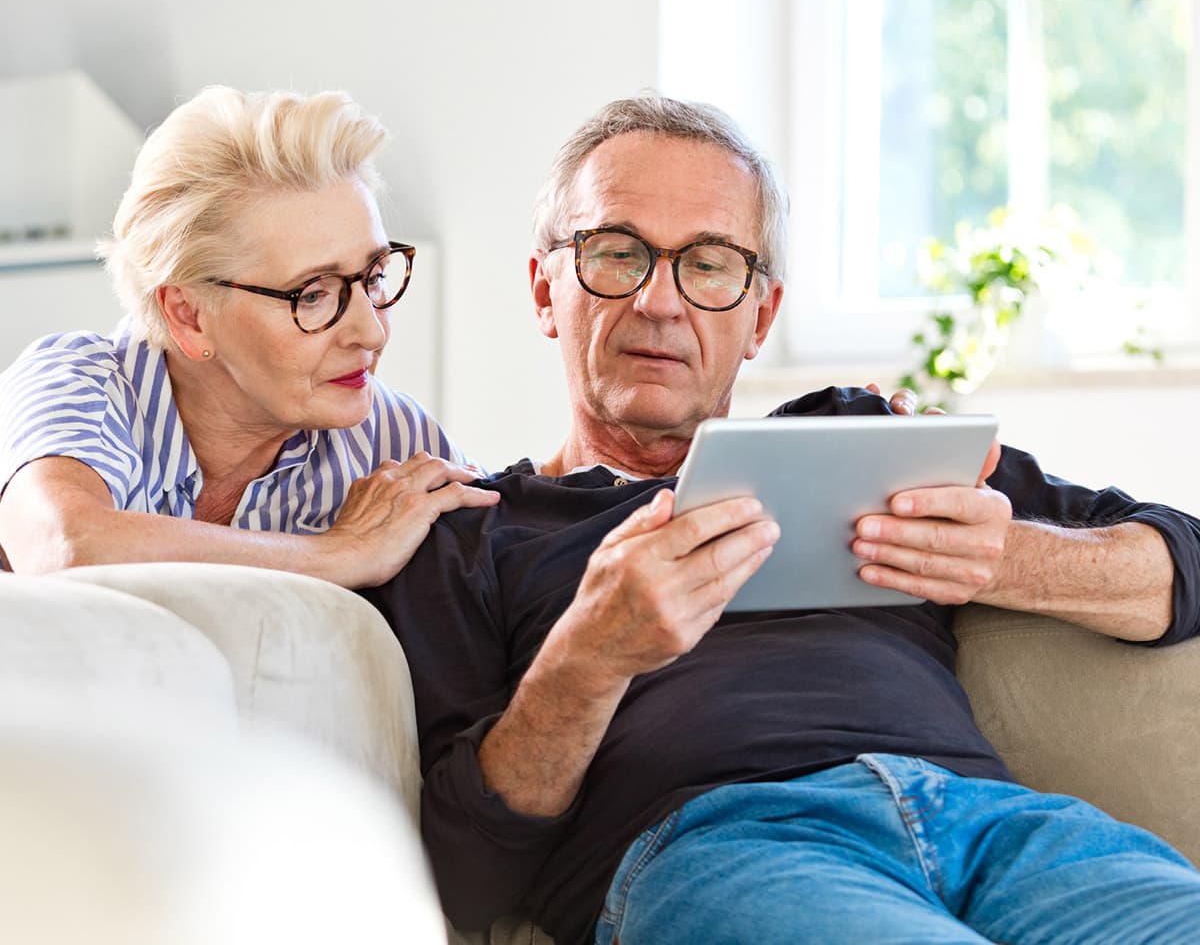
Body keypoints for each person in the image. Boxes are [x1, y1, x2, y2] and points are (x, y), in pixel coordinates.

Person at [363, 95, 1200, 945]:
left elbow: (1186, 562)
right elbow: (463, 874)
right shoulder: (469, 530)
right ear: (547, 292)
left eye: (711, 264)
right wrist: (588, 657)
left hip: (994, 827)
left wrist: (1010, 559)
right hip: (725, 849)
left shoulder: (862, 436)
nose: (659, 301)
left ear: (760, 315)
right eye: (616, 254)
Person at [0, 85, 497, 585]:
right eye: (312, 294)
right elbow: (66, 546)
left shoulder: (391, 436)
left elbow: (507, 554)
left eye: (374, 277)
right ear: (189, 316)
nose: (371, 331)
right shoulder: (75, 383)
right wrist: (338, 555)